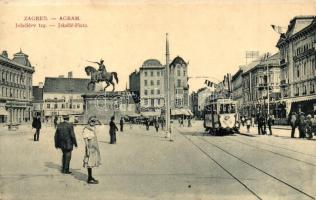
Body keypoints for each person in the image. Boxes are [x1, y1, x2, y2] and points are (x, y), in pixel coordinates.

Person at [82, 117, 101, 184]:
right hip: (90, 147)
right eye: (92, 121)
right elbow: (85, 140)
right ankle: (89, 178)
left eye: (94, 121)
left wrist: (98, 120)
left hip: (94, 147)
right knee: (89, 162)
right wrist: (87, 149)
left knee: (92, 162)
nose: (93, 123)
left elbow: (101, 126)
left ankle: (90, 177)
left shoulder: (93, 128)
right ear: (89, 121)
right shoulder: (86, 129)